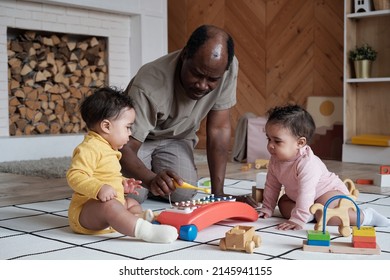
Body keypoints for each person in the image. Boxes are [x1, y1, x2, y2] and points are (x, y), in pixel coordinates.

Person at [120, 24, 238, 203]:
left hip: (177, 138)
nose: (202, 85)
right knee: (133, 194)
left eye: (212, 79)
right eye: (196, 74)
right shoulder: (149, 82)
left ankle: (152, 173)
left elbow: (219, 129)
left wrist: (218, 193)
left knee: (182, 193)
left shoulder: (226, 68)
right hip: (138, 140)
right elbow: (126, 146)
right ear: (184, 56)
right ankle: (143, 174)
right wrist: (151, 179)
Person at [66, 87, 178, 243]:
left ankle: (136, 219)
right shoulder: (89, 147)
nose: (130, 133)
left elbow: (106, 175)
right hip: (85, 213)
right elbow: (75, 175)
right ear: (106, 126)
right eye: (127, 127)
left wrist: (121, 184)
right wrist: (99, 189)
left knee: (132, 202)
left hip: (108, 208)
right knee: (110, 206)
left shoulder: (109, 148)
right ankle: (146, 231)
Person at [258, 104, 390, 230]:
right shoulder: (275, 160)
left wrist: (298, 218)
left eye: (277, 141)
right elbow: (272, 185)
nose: (270, 145)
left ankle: (366, 216)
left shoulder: (307, 163)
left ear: (300, 143)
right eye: (268, 139)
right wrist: (267, 208)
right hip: (300, 196)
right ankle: (309, 214)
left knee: (327, 216)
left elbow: (307, 191)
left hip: (327, 192)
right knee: (283, 203)